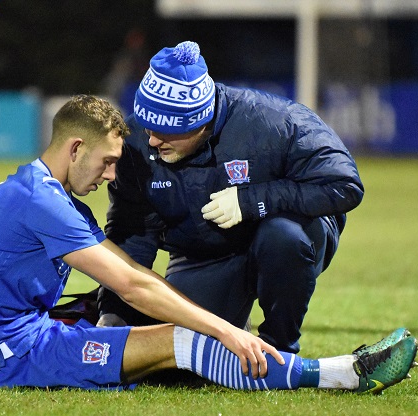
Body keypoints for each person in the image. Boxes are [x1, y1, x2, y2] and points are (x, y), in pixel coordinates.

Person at [0, 95, 418, 393]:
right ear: (75, 149)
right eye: (108, 162)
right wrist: (226, 331)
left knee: (176, 334)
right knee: (181, 341)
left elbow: (132, 273)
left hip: (14, 337)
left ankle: (294, 362)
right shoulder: (44, 204)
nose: (113, 174)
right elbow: (132, 284)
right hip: (11, 355)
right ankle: (341, 374)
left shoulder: (40, 191)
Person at [96, 41, 364, 355]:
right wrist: (113, 312)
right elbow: (134, 233)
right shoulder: (138, 144)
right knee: (180, 354)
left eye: (165, 131)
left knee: (283, 237)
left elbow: (344, 184)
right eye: (148, 127)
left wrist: (253, 201)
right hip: (206, 255)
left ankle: (280, 348)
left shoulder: (275, 122)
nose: (153, 140)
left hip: (288, 238)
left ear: (200, 121)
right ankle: (233, 321)